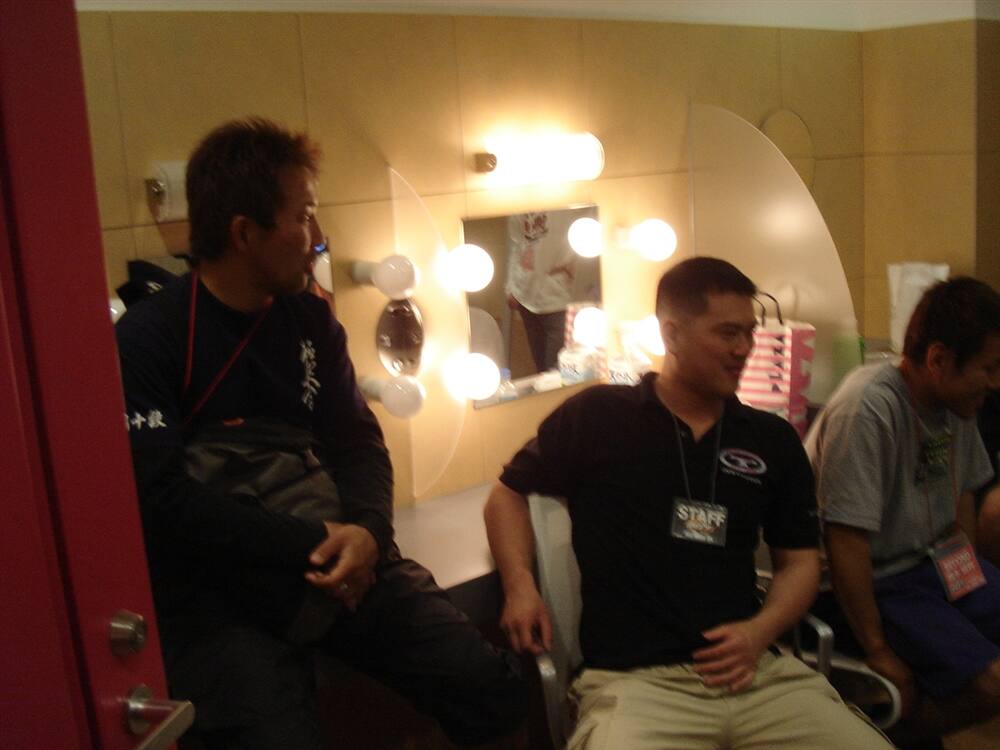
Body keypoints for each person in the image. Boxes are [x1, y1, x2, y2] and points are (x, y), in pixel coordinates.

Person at [115, 118, 525, 749]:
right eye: (304, 217)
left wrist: (368, 532)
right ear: (244, 233)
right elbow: (161, 501)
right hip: (218, 592)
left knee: (483, 682)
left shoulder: (309, 319)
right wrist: (316, 542)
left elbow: (358, 441)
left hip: (335, 549)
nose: (318, 239)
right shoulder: (148, 339)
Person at [484, 256, 892, 749]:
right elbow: (507, 494)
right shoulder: (599, 418)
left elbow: (800, 562)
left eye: (749, 333)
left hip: (756, 674)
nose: (744, 349)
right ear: (672, 335)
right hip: (637, 684)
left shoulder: (771, 439)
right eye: (727, 333)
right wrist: (520, 586)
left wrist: (760, 631)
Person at [806, 277, 1000, 743]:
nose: (996, 383)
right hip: (874, 581)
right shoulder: (868, 408)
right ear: (938, 359)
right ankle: (891, 736)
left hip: (929, 568)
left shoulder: (957, 404)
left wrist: (967, 584)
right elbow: (845, 541)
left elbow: (963, 495)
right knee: (992, 685)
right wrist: (877, 649)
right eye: (989, 369)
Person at [505, 211, 576, 372]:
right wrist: (511, 286)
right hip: (525, 295)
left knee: (556, 371)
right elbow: (516, 245)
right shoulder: (517, 204)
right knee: (541, 370)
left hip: (559, 299)